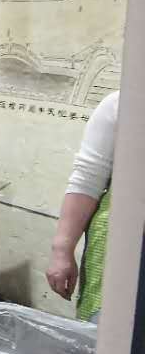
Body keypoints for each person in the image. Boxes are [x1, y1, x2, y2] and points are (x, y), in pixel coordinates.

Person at [46, 91, 118, 321]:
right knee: (110, 328)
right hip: (119, 245)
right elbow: (88, 178)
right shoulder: (121, 103)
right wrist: (62, 251)